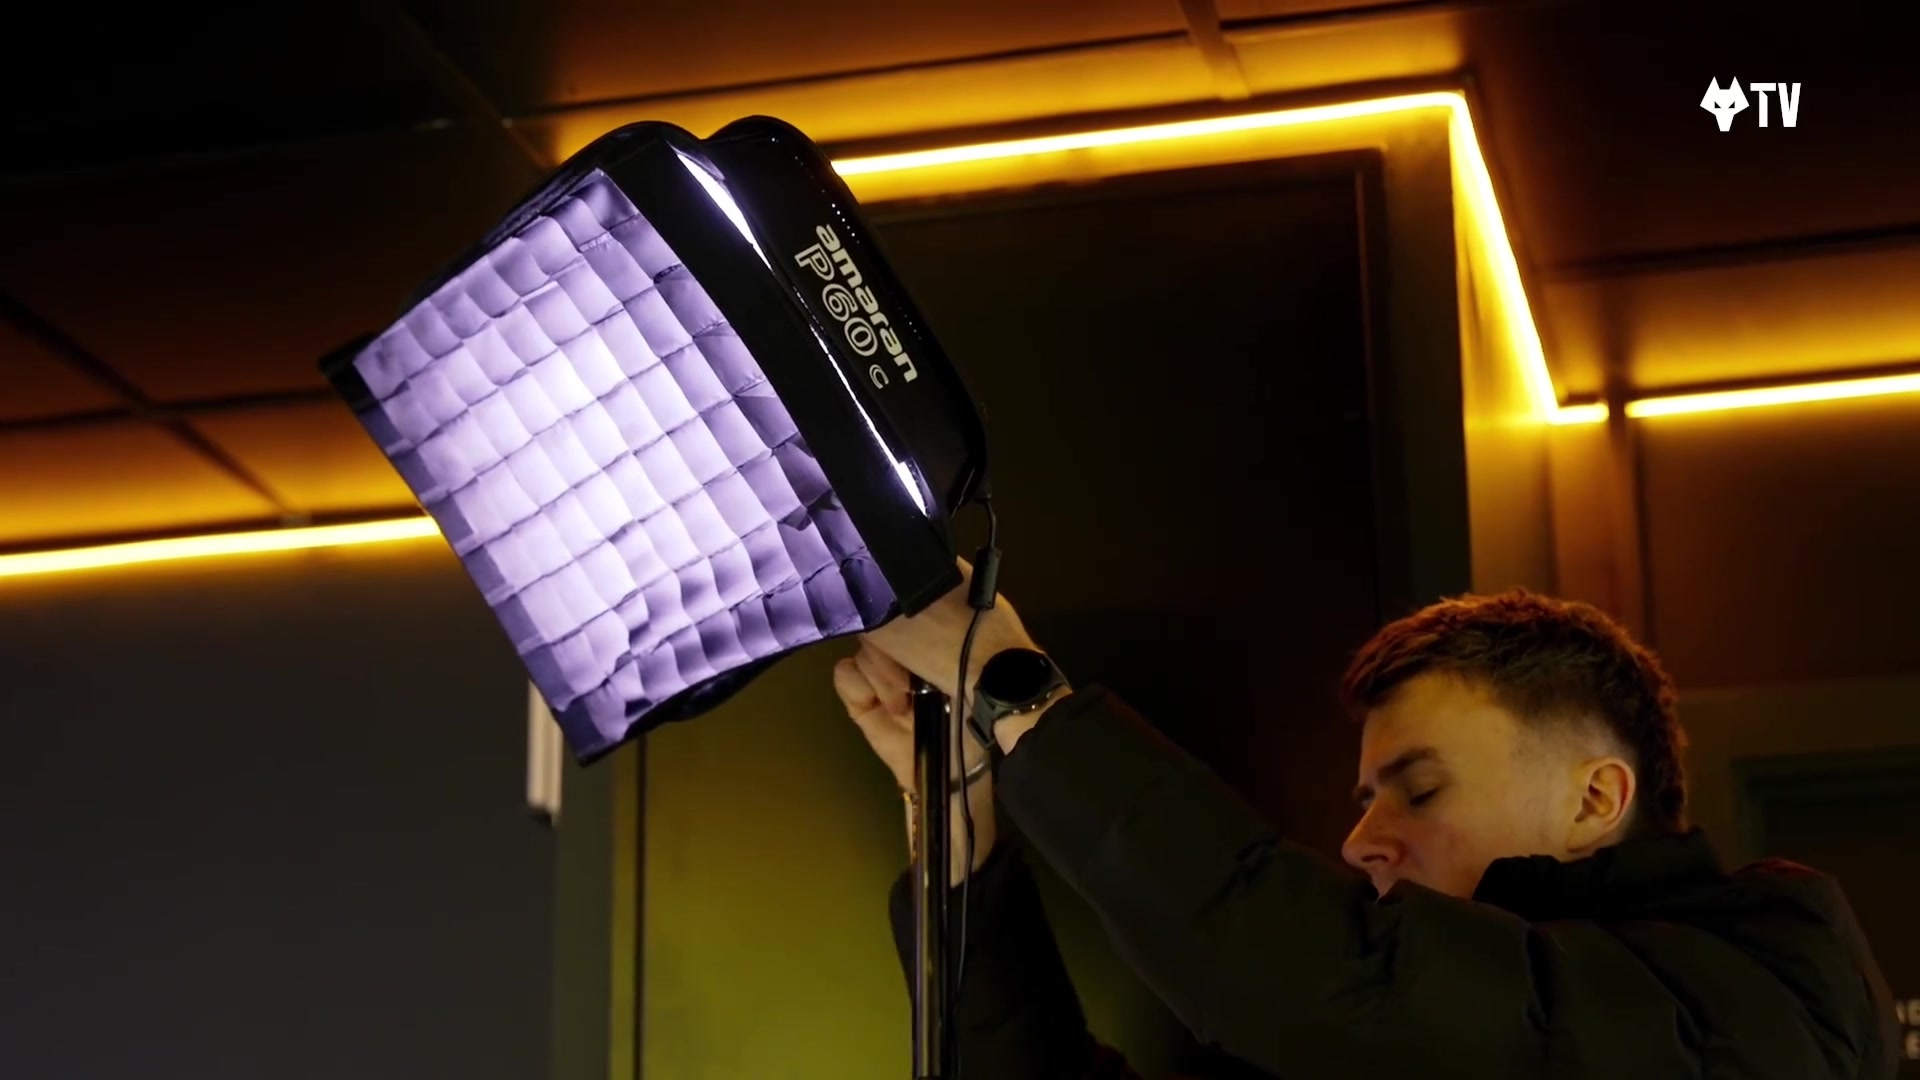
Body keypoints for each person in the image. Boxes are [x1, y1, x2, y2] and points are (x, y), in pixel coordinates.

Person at [833, 562, 1903, 1079]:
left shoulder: (1779, 984)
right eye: (1367, 797)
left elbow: (1353, 982)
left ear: (1595, 799)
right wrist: (951, 815)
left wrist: (1011, 686)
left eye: (1420, 788)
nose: (1361, 840)